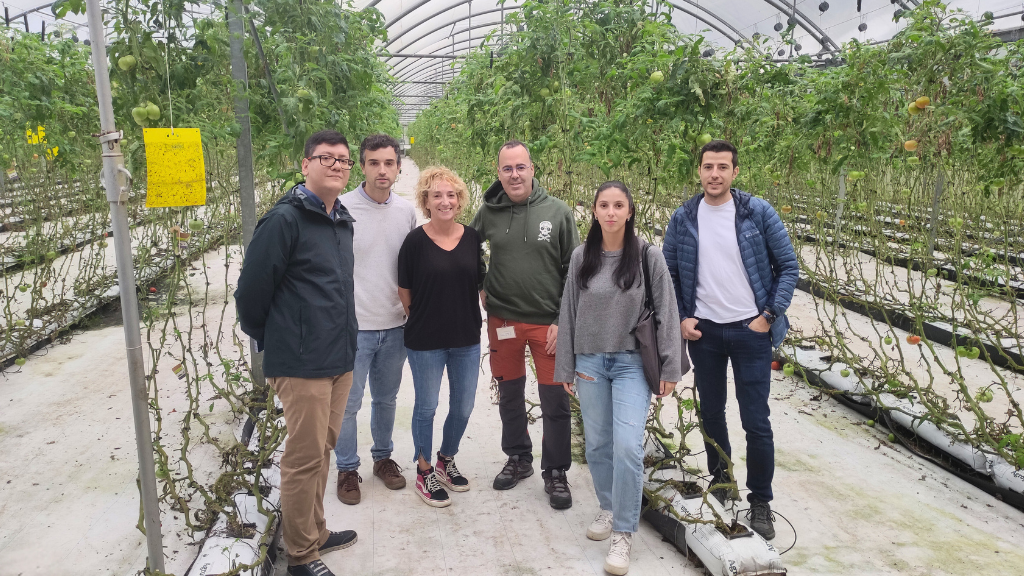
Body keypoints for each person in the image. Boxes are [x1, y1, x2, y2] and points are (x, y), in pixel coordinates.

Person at [234, 130, 360, 576]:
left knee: (322, 450)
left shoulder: (341, 220)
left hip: (338, 357)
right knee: (303, 457)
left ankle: (316, 531)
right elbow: (250, 294)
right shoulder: (285, 220)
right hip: (302, 362)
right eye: (326, 158)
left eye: (344, 160)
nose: (337, 166)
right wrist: (280, 340)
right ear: (304, 164)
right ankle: (301, 555)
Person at [663, 140, 799, 541]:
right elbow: (669, 273)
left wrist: (768, 316)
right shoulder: (684, 217)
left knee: (756, 420)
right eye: (708, 166)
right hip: (705, 332)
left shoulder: (758, 212)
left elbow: (789, 266)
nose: (715, 174)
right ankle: (722, 481)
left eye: (723, 167)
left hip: (750, 330)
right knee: (712, 412)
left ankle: (761, 501)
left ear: (735, 172)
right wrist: (683, 318)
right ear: (699, 171)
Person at [555, 181, 681, 575]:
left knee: (627, 446)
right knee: (598, 445)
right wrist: (566, 367)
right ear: (593, 211)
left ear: (630, 211)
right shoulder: (582, 257)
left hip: (630, 364)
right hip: (591, 363)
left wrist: (670, 367)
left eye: (619, 205)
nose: (611, 212)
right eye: (604, 205)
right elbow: (569, 313)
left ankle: (624, 533)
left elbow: (667, 313)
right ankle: (609, 508)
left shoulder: (648, 256)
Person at [470, 140, 580, 509]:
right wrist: (482, 281)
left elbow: (573, 271)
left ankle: (556, 470)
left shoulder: (559, 212)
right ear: (497, 172)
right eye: (507, 169)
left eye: (520, 167)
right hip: (503, 320)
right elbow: (469, 248)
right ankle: (518, 458)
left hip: (547, 324)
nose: (514, 175)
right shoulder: (489, 211)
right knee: (511, 393)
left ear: (533, 169)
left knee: (555, 399)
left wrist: (563, 319)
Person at [333, 134, 418, 505]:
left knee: (386, 399)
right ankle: (347, 468)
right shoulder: (342, 208)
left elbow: (412, 268)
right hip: (354, 328)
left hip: (395, 324)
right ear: (362, 166)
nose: (381, 170)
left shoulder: (405, 212)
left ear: (398, 167)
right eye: (373, 163)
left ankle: (383, 458)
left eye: (388, 163)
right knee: (348, 404)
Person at [398, 167, 486, 508]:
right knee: (427, 406)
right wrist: (424, 319)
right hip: (426, 341)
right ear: (426, 201)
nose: (445, 201)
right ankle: (423, 471)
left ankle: (445, 458)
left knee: (463, 406)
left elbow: (479, 284)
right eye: (437, 195)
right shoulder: (415, 242)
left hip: (466, 337)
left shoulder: (473, 237)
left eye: (451, 195)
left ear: (460, 200)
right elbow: (405, 291)